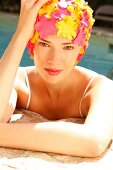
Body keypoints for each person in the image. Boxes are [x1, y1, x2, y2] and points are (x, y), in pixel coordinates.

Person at [0, 0, 113, 158]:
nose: (54, 60)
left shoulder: (101, 88)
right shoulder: (17, 80)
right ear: (31, 44)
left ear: (81, 49)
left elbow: (93, 141)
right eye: (45, 44)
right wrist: (21, 33)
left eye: (68, 47)